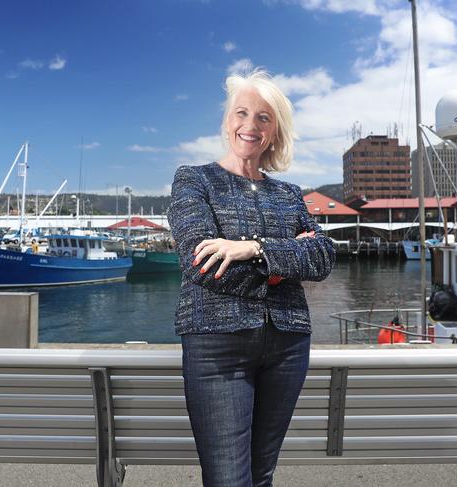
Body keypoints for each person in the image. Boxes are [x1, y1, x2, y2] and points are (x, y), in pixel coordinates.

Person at [167, 69, 335, 487]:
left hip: (287, 344)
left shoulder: (289, 194)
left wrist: (251, 249)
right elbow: (200, 262)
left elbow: (323, 257)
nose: (251, 125)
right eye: (242, 113)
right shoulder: (194, 180)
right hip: (217, 344)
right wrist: (282, 267)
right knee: (228, 478)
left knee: (261, 475)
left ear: (276, 131)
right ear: (227, 122)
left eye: (264, 117)